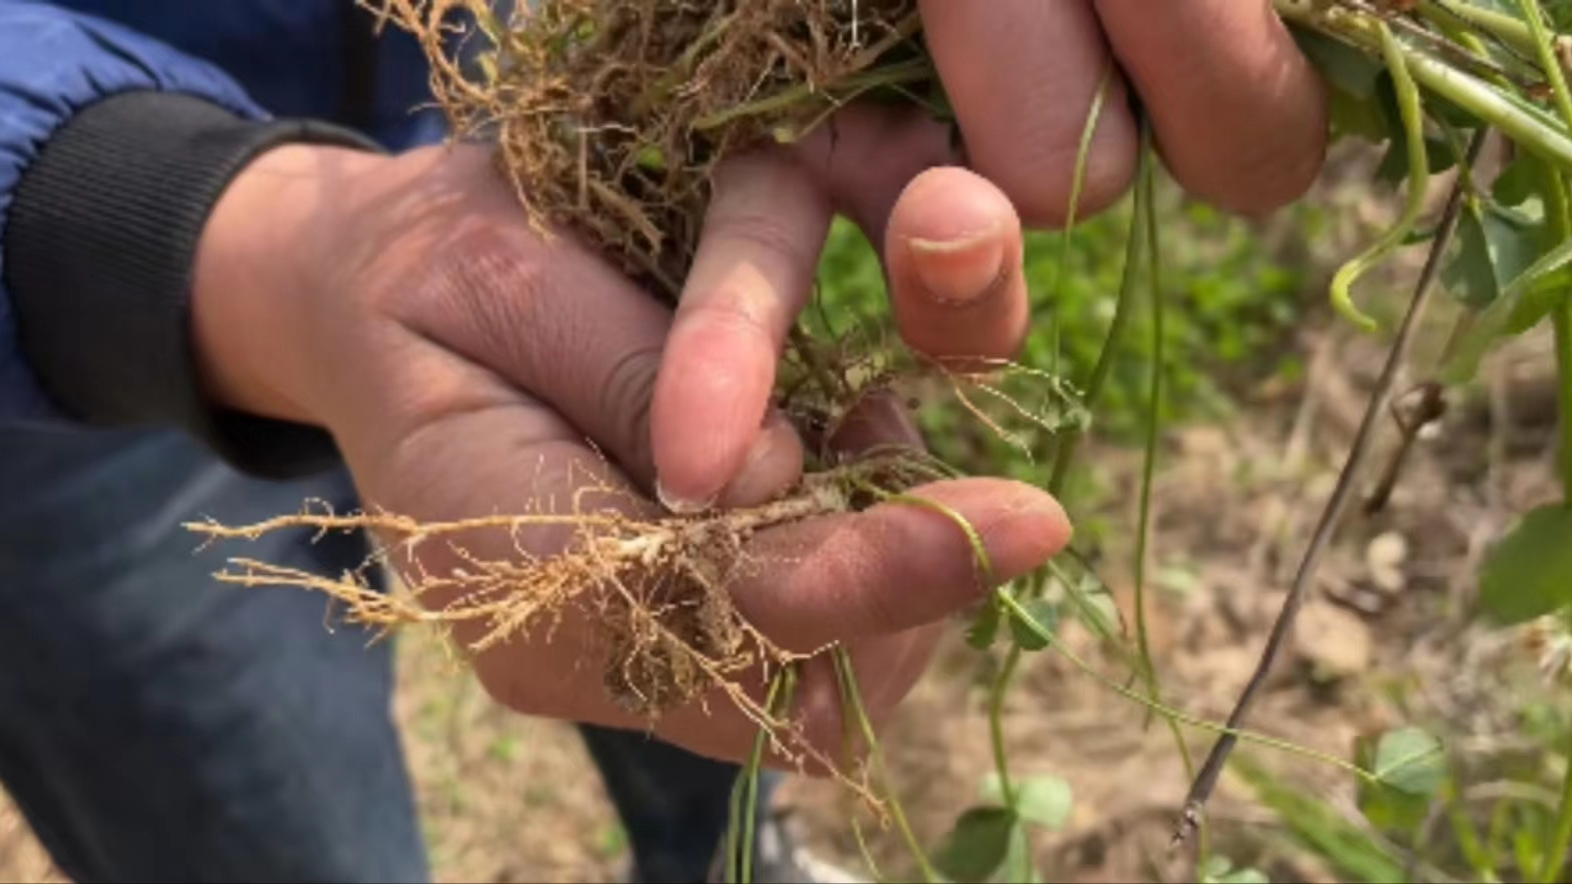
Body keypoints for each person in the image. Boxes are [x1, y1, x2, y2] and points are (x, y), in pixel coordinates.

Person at [0, 1, 1329, 881]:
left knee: (697, 628)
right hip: (63, 341)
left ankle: (731, 861)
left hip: (563, 148)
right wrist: (156, 212)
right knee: (263, 830)